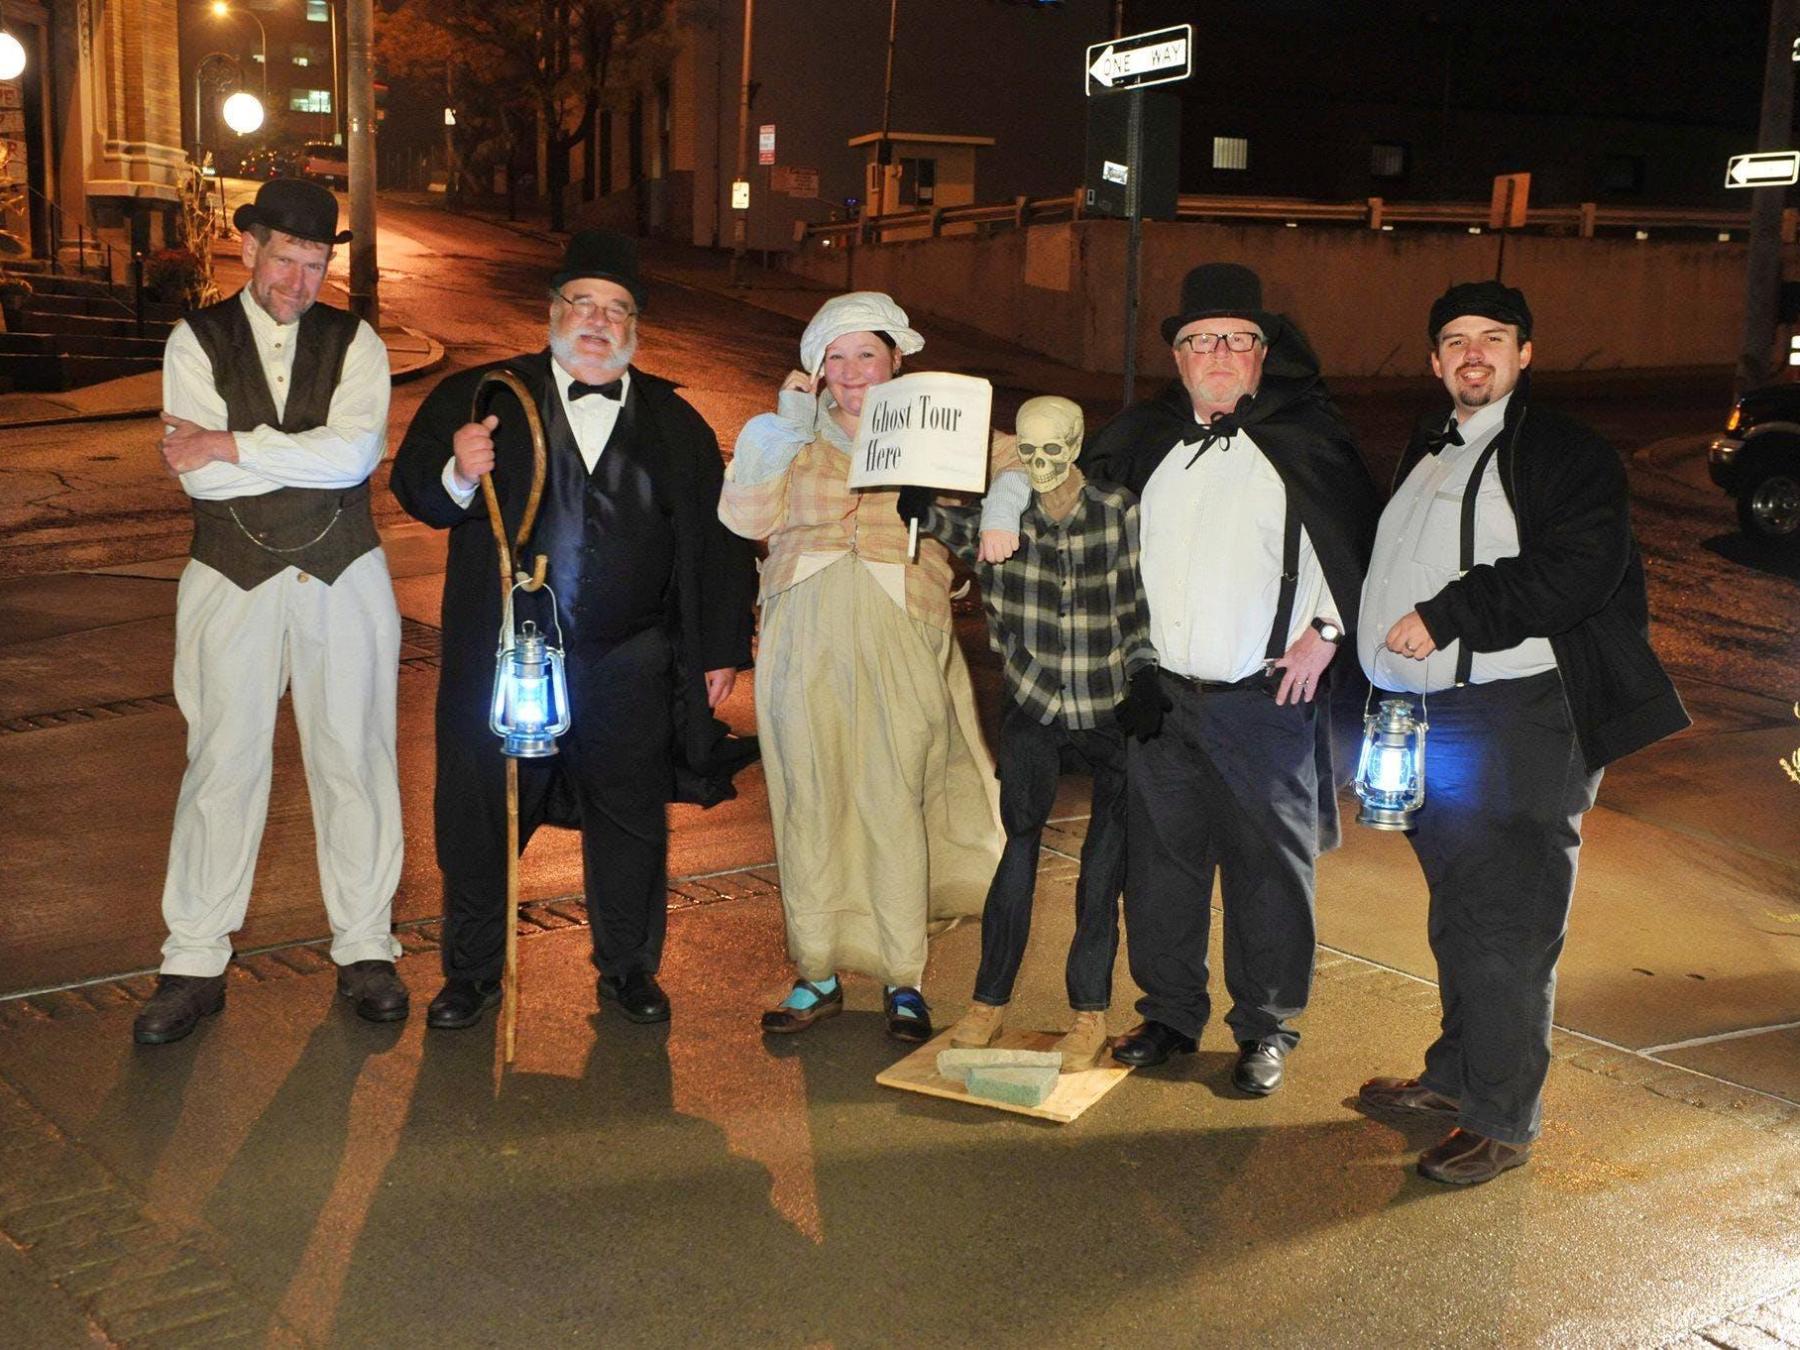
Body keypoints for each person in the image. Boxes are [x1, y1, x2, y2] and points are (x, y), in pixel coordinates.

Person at [1354, 281, 1688, 1185]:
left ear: (1526, 353)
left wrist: (1450, 612)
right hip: (1430, 719)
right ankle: (1457, 1078)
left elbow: (1581, 566)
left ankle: (1502, 1120)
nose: (1473, 354)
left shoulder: (1560, 450)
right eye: (1454, 340)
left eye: (1493, 338)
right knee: (1463, 912)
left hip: (1521, 718)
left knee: (1509, 922)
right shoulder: (1433, 446)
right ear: (1432, 361)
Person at [391, 230, 756, 1032]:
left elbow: (720, 538)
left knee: (630, 816)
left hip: (630, 658)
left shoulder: (674, 420)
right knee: (487, 809)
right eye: (583, 305)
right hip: (503, 659)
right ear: (553, 313)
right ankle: (472, 974)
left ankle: (629, 967)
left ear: (636, 330)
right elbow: (415, 489)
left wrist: (721, 651)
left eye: (617, 310)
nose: (598, 321)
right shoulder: (484, 395)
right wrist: (459, 469)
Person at [1043, 262, 1381, 1093]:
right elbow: (1087, 544)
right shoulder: (1146, 443)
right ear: (1180, 359)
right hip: (1159, 700)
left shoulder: (1306, 444)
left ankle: (1266, 1028)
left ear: (1265, 354)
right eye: (1200, 341)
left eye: (1236, 339)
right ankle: (1169, 1013)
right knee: (1162, 865)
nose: (1218, 353)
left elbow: (1357, 547)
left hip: (1264, 701)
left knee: (1270, 872)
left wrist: (1328, 634)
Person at [135, 178, 406, 1044]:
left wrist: (235, 442)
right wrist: (265, 457)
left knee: (355, 756)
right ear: (249, 249)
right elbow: (201, 476)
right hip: (229, 577)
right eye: (284, 258)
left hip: (344, 575)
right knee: (222, 761)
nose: (297, 281)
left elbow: (356, 453)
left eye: (315, 263)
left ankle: (366, 945)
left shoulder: (357, 341)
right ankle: (194, 960)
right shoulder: (195, 339)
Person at [720, 292, 1003, 1044]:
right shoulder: (780, 434)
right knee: (809, 796)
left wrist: (995, 511)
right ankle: (816, 971)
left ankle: (904, 977)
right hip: (801, 629)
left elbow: (1022, 463)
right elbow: (744, 520)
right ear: (815, 369)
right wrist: (782, 428)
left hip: (900, 623)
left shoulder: (938, 426)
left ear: (896, 361)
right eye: (835, 358)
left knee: (892, 797)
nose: (851, 373)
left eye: (866, 356)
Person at [899, 396, 1163, 1072]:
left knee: (1104, 868)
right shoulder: (1000, 517)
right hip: (1036, 706)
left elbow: (1138, 607)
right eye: (1029, 450)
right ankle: (988, 1002)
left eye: (1055, 450)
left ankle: (1089, 1012)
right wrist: (915, 497)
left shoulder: (1117, 512)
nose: (1040, 465)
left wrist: (1145, 676)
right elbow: (930, 520)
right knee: (1015, 853)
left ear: (1077, 445)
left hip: (1107, 706)